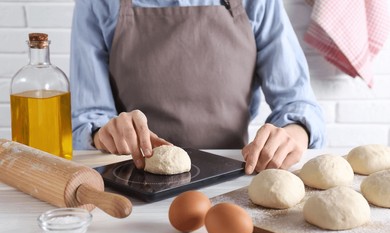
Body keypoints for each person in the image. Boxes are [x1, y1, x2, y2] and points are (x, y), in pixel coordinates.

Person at [70, 0, 326, 175]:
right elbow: (88, 118)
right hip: (132, 183)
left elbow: (297, 104)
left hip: (233, 180)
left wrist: (293, 133)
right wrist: (102, 133)